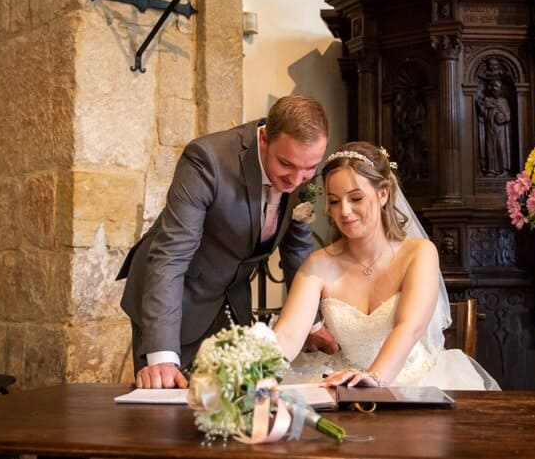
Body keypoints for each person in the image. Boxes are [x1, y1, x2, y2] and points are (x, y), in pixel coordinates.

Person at [117, 95, 338, 389]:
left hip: (232, 300)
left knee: (233, 405)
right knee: (168, 413)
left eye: (309, 169)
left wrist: (313, 323)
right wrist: (161, 356)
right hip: (177, 297)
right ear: (263, 140)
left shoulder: (301, 167)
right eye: (286, 164)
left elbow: (296, 249)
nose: (297, 180)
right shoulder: (207, 159)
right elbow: (171, 256)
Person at [274, 142, 499, 390]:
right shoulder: (318, 264)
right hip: (344, 382)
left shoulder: (419, 253)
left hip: (417, 383)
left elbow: (409, 327)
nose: (344, 212)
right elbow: (288, 333)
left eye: (356, 198)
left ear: (383, 194)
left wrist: (374, 379)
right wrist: (252, 368)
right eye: (335, 202)